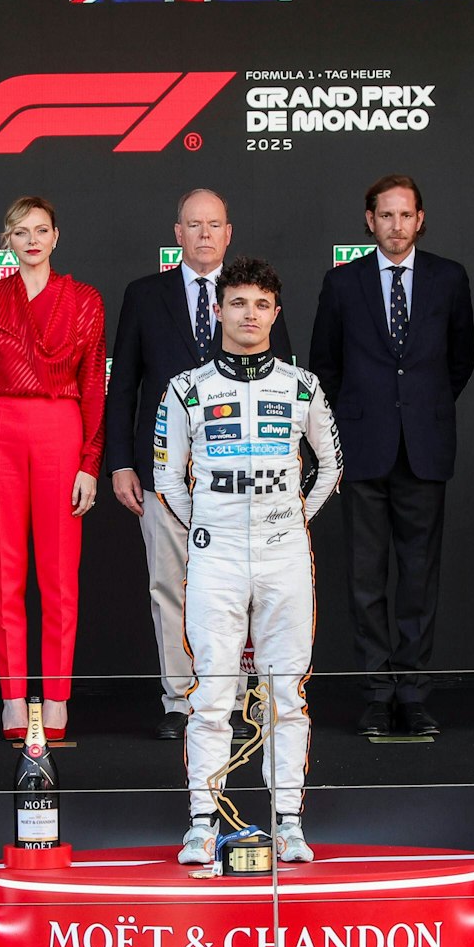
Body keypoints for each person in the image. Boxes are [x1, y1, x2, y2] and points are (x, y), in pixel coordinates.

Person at [155, 257, 343, 866]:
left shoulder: (302, 385)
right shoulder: (185, 389)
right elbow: (168, 477)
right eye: (237, 303)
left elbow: (331, 467)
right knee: (211, 692)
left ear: (275, 313)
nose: (249, 315)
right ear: (218, 310)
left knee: (287, 691)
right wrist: (209, 526)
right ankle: (201, 822)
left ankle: (288, 820)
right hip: (217, 557)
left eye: (261, 305)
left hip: (285, 552)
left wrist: (293, 518)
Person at [104, 189, 294, 741]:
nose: (205, 234)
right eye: (194, 224)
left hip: (240, 471)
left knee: (233, 590)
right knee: (170, 588)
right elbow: (125, 389)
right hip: (161, 469)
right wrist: (120, 462)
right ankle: (180, 699)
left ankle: (230, 700)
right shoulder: (144, 295)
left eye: (214, 224)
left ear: (228, 233)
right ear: (177, 232)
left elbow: (281, 382)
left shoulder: (253, 298)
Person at [309, 175, 474, 738]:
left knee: (420, 578)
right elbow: (324, 364)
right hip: (363, 448)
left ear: (419, 220)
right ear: (369, 220)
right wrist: (366, 414)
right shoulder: (342, 283)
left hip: (424, 449)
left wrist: (417, 409)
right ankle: (377, 692)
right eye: (386, 215)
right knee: (365, 579)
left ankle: (414, 691)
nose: (396, 225)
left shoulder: (449, 278)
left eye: (406, 215)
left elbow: (461, 360)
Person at [0, 197, 107, 740]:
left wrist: (90, 462)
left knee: (60, 574)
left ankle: (58, 694)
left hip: (61, 431)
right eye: (21, 232)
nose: (32, 240)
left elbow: (94, 384)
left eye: (41, 230)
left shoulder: (85, 300)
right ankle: (15, 696)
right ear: (8, 241)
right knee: (6, 575)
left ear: (56, 235)